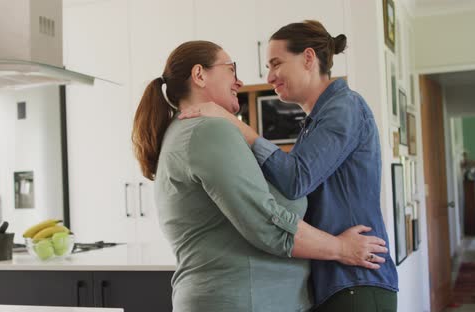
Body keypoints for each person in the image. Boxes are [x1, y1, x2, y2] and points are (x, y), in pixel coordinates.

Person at [132, 40, 388, 312]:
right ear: (199, 75)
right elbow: (268, 223)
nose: (239, 81)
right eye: (231, 69)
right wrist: (341, 248)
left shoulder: (189, 131)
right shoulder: (207, 131)